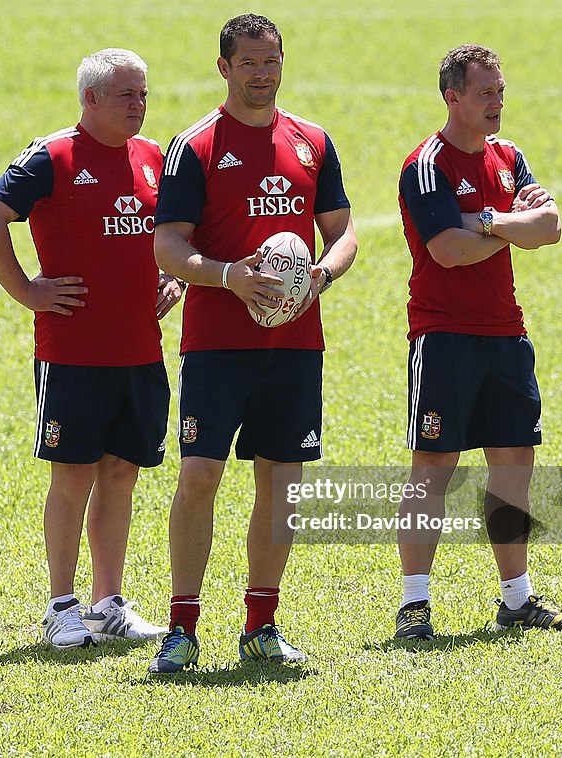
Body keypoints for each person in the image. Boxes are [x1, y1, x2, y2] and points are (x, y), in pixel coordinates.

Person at [148, 14, 358, 673]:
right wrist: (228, 277)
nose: (262, 74)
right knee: (200, 474)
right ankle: (181, 627)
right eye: (249, 63)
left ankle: (261, 625)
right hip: (216, 344)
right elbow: (168, 246)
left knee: (282, 483)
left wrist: (321, 274)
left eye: (271, 61)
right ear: (224, 68)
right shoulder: (196, 145)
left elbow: (344, 231)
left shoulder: (312, 142)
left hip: (295, 344)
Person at [0, 49, 180, 650]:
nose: (138, 106)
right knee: (73, 476)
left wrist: (177, 279)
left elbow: (181, 232)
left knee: (121, 473)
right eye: (125, 96)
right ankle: (61, 605)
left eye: (142, 94)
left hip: (140, 349)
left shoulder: (155, 158)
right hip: (73, 353)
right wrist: (25, 289)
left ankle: (108, 602)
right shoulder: (52, 156)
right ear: (90, 99)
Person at [394, 44, 562, 640]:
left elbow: (550, 228)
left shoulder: (510, 157)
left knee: (514, 466)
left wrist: (483, 220)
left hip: (508, 336)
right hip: (444, 336)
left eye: (500, 92)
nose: (497, 104)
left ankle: (517, 600)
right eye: (486, 94)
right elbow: (447, 252)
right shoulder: (425, 164)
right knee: (434, 465)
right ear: (452, 98)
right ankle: (414, 607)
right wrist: (508, 223)